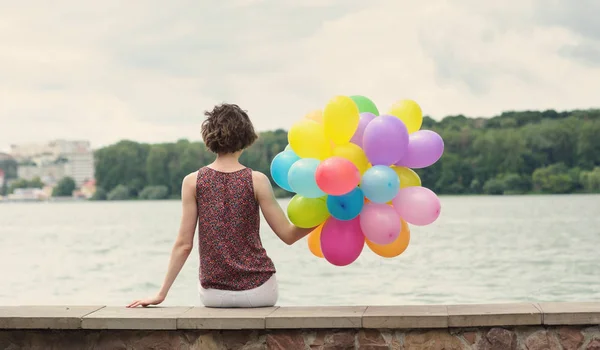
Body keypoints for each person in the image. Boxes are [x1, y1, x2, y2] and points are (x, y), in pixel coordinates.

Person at [127, 103, 314, 308]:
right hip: (259, 291)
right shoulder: (257, 180)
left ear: (209, 138)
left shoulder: (193, 181)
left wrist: (160, 294)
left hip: (214, 295)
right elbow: (288, 235)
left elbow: (184, 245)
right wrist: (327, 212)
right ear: (246, 137)